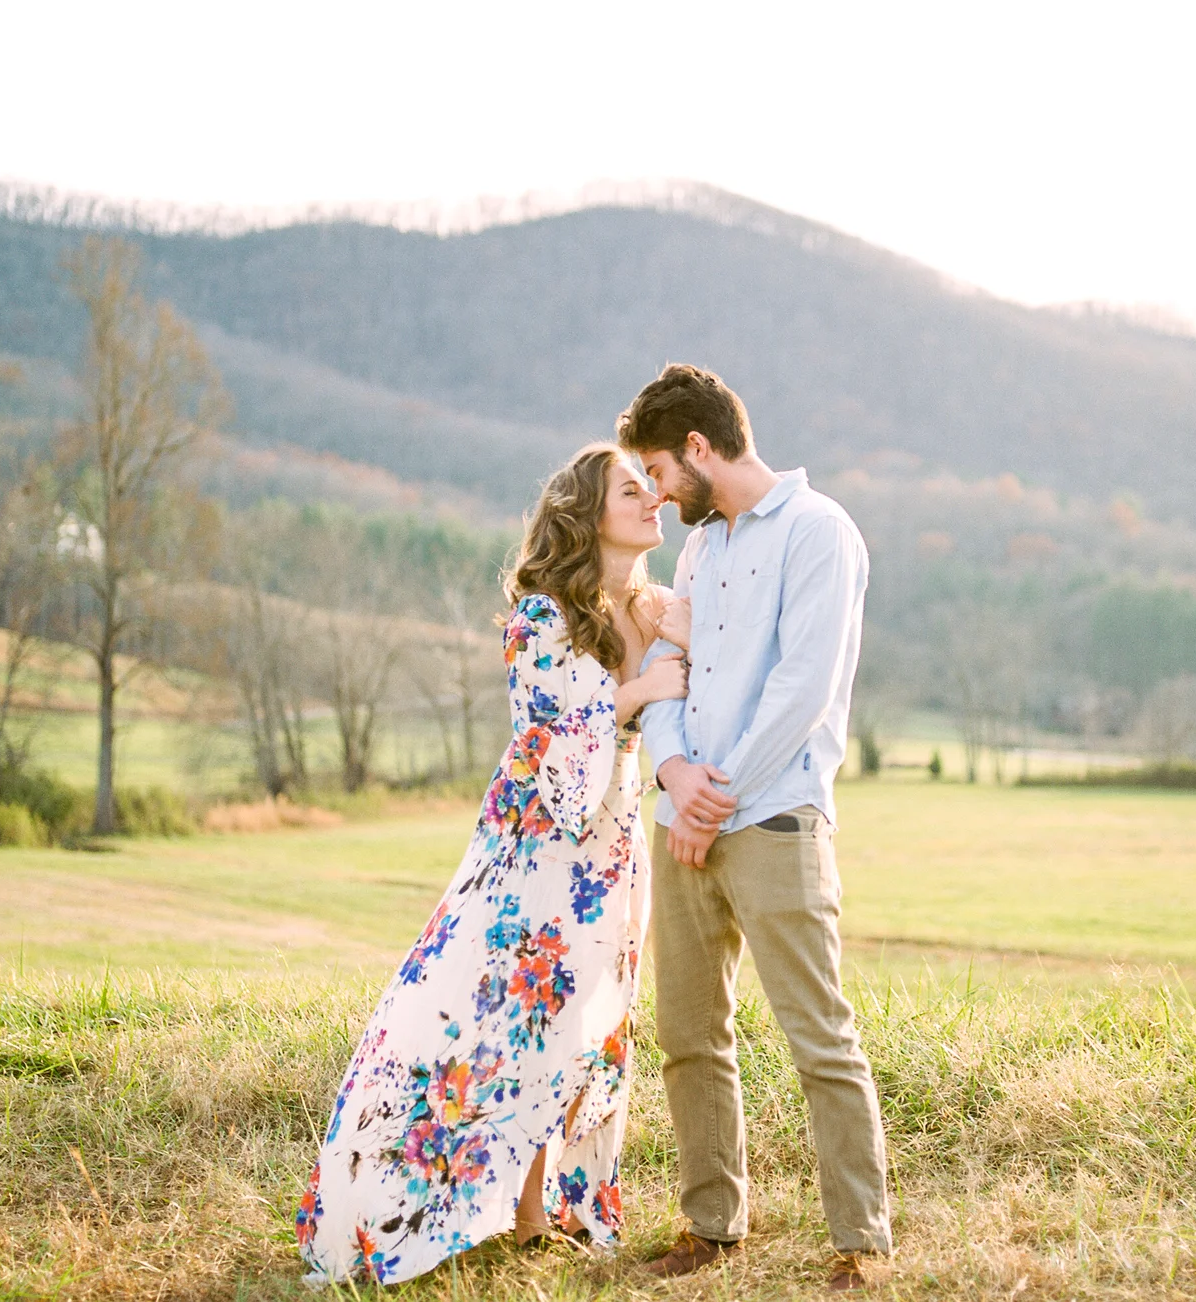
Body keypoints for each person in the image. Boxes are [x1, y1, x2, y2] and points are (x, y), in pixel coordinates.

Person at [295, 444, 687, 1285]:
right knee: (488, 1014)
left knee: (586, 1022)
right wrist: (637, 696)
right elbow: (551, 748)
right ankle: (417, 1202)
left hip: (612, 851)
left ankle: (539, 1204)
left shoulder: (654, 610)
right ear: (589, 515)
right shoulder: (541, 618)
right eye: (632, 489)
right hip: (534, 851)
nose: (653, 498)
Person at [618, 364, 891, 1294]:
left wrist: (714, 794)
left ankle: (859, 1241)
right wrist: (673, 773)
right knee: (689, 1034)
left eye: (657, 471)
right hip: (684, 817)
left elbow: (802, 690)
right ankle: (710, 1226)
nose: (655, 493)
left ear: (699, 448)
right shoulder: (700, 552)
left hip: (774, 821)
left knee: (820, 1037)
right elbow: (666, 664)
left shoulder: (821, 533)